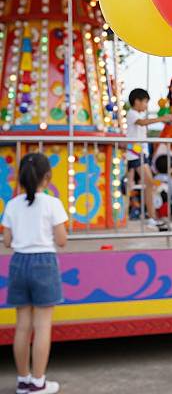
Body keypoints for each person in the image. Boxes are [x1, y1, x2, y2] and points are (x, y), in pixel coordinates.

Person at [2, 153, 68, 394]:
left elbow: (7, 241)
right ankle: (39, 382)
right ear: (47, 177)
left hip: (19, 262)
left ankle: (23, 379)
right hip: (44, 263)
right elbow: (61, 240)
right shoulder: (53, 204)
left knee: (22, 326)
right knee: (42, 326)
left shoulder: (12, 205)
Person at [126, 88, 171, 229]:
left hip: (139, 154)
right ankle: (151, 217)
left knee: (133, 185)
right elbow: (142, 122)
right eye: (145, 102)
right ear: (137, 101)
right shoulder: (132, 114)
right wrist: (161, 119)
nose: (146, 105)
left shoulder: (135, 114)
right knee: (149, 184)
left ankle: (146, 215)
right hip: (135, 154)